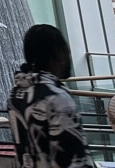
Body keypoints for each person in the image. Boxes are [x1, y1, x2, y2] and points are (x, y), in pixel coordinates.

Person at [8, 24, 91, 168]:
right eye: (66, 51)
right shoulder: (57, 99)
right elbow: (72, 160)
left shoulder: (15, 94)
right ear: (58, 54)